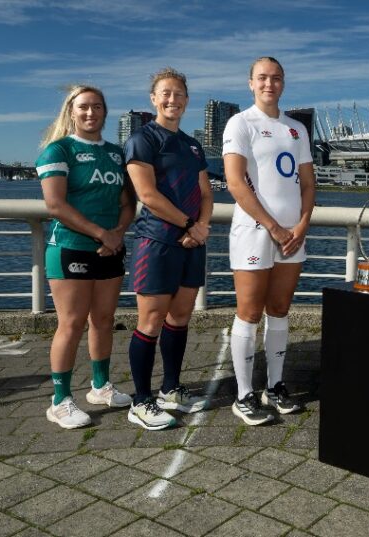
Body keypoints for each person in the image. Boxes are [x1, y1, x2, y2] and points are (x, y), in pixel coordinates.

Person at [222, 57, 315, 425]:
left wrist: (302, 225)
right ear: (250, 83)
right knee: (248, 312)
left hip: (292, 235)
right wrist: (274, 227)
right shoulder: (240, 122)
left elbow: (308, 184)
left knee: (279, 310)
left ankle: (274, 386)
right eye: (262, 78)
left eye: (275, 78)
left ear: (283, 83)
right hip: (255, 232)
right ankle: (244, 394)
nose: (269, 84)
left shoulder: (296, 129)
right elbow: (234, 183)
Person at [37, 85, 135, 428]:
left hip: (110, 248)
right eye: (83, 107)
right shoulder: (58, 149)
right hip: (70, 248)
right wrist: (101, 234)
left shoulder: (115, 153)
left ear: (105, 112)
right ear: (71, 112)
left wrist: (117, 234)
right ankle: (60, 400)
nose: (90, 112)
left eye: (97, 107)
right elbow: (55, 205)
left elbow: (127, 203)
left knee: (104, 319)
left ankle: (100, 386)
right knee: (72, 323)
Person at [124, 67, 213, 430]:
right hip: (157, 241)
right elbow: (147, 195)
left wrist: (201, 228)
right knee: (150, 320)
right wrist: (189, 225)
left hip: (192, 243)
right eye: (165, 93)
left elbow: (206, 193)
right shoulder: (143, 139)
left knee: (180, 317)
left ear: (187, 100)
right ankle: (141, 400)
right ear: (153, 99)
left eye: (178, 94)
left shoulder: (193, 145)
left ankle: (171, 389)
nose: (172, 99)